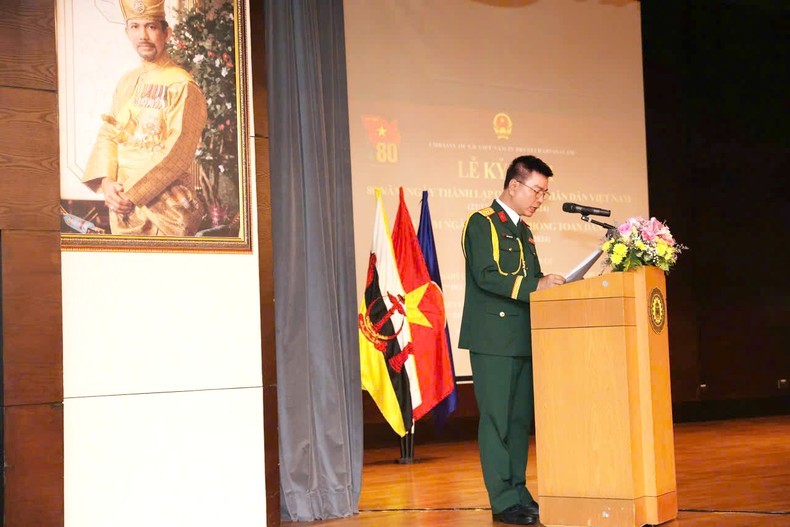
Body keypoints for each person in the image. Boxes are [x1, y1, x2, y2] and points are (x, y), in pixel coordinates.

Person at [459, 155, 566, 525]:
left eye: (545, 194)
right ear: (514, 186)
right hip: (493, 339)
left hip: (521, 337)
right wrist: (537, 284)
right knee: (496, 421)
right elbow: (488, 276)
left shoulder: (524, 230)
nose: (539, 199)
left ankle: (518, 490)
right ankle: (503, 500)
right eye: (536, 190)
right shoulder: (482, 222)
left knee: (519, 421)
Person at [82, 0, 208, 236]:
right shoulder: (126, 82)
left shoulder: (181, 85)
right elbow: (109, 133)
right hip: (124, 212)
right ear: (127, 32)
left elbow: (177, 153)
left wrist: (131, 193)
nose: (143, 36)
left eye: (150, 27)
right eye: (135, 27)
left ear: (166, 33)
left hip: (166, 213)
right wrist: (107, 183)